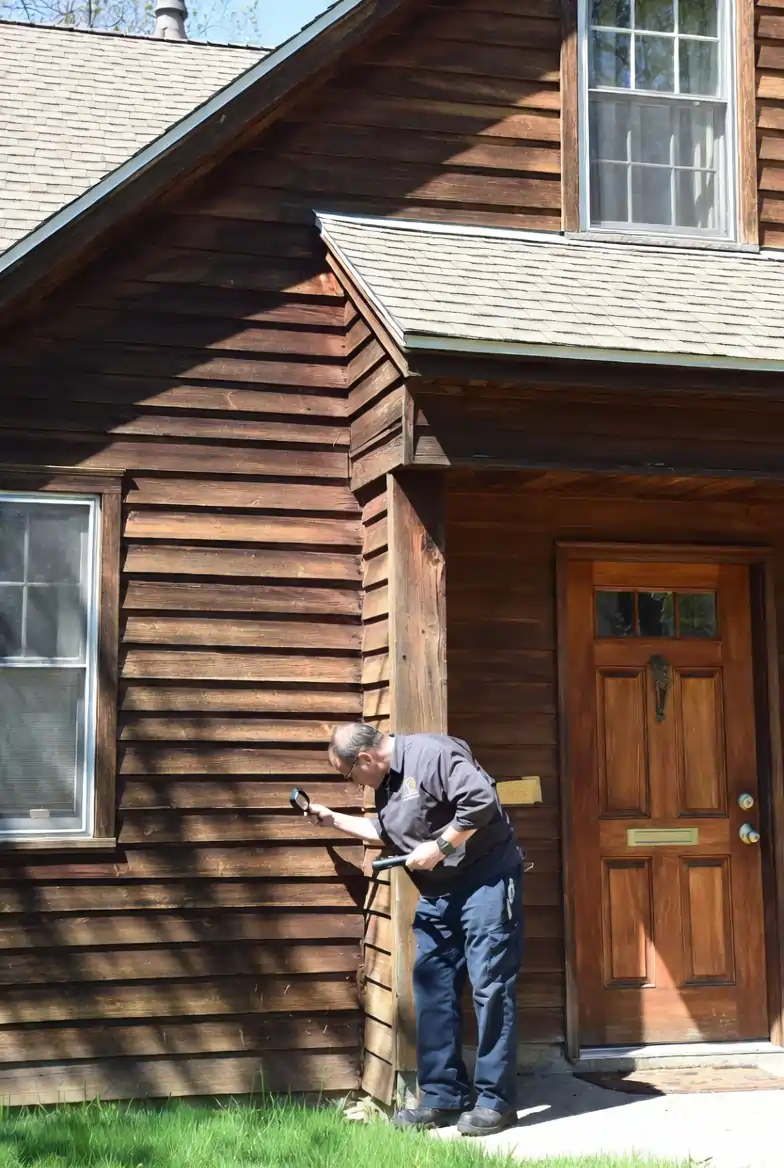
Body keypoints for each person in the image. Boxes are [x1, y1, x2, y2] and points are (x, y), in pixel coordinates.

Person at [305, 722, 524, 1137]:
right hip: (440, 894)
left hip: (486, 883)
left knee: (490, 987)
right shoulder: (386, 783)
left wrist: (441, 847)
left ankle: (496, 1101)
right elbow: (384, 832)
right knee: (432, 988)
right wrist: (333, 819)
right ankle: (443, 1095)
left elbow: (481, 802)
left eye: (347, 774)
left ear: (365, 759)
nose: (350, 782)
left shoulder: (432, 755)